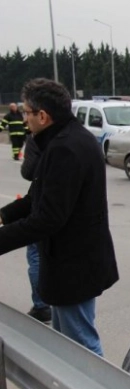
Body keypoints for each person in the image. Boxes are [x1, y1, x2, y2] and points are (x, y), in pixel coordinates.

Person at [0, 78, 118, 356]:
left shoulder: (65, 148)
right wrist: (4, 215)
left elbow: (48, 218)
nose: (25, 119)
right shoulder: (64, 140)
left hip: (74, 266)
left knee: (82, 347)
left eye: (27, 113)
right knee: (66, 345)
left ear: (43, 115)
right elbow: (36, 198)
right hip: (71, 264)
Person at [20, 134, 52, 323]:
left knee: (35, 255)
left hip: (44, 215)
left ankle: (42, 306)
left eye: (28, 113)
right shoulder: (78, 138)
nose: (26, 119)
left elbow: (28, 171)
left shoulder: (39, 138)